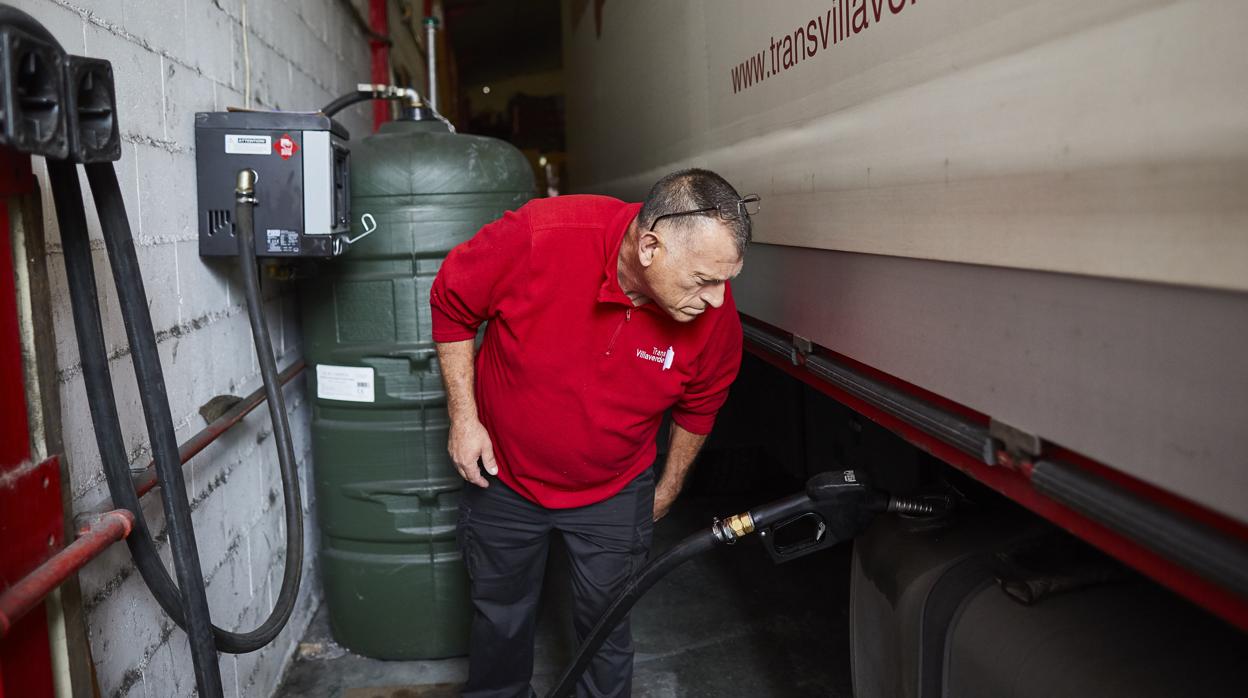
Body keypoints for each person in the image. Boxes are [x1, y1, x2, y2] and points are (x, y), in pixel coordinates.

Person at [430, 168, 757, 697]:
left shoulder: (714, 319)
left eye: (726, 281)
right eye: (704, 280)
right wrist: (464, 419)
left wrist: (669, 485)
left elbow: (701, 405)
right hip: (504, 476)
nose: (717, 300)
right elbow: (452, 302)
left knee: (606, 626)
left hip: (614, 489)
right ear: (649, 246)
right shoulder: (542, 235)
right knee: (501, 617)